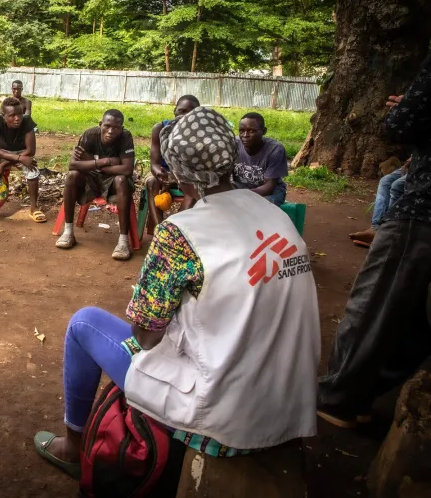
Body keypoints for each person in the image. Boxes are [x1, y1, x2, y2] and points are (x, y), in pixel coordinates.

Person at [33, 107, 320, 477]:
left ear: (179, 172)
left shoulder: (180, 233)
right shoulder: (275, 216)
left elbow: (147, 335)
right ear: (231, 156)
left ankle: (73, 448)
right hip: (288, 401)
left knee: (84, 324)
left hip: (223, 412)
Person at [317, 54, 431, 429]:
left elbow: (400, 125)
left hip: (423, 209)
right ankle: (362, 393)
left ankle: (336, 398)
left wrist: (410, 109)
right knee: (413, 316)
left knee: (372, 304)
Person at [55, 109, 135, 260]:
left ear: (121, 128)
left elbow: (127, 170)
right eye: (107, 126)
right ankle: (68, 232)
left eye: (116, 127)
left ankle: (123, 242)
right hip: (91, 180)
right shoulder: (90, 135)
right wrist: (105, 161)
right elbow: (72, 165)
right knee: (72, 176)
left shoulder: (125, 137)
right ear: (100, 125)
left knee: (122, 180)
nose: (111, 131)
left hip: (112, 183)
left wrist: (91, 162)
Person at [0, 97, 44, 221]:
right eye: (12, 115)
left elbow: (31, 151)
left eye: (19, 114)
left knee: (32, 170)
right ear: (3, 115)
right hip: (2, 153)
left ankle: (34, 208)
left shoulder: (27, 122)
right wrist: (15, 159)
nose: (17, 118)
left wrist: (7, 164)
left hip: (23, 153)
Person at [146, 95, 200, 228]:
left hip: (189, 176)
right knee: (152, 182)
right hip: (164, 173)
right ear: (174, 111)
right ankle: (159, 231)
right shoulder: (160, 129)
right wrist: (162, 175)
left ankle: (176, 229)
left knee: (196, 188)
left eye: (191, 112)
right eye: (181, 111)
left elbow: (199, 167)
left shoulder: (201, 133)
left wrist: (177, 177)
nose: (185, 116)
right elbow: (154, 163)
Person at [349, 158, 409, 246]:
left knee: (397, 186)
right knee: (385, 181)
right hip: (416, 162)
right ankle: (375, 228)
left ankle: (388, 231)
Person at [234, 112, 288, 206]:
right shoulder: (233, 144)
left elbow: (269, 186)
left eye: (251, 131)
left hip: (270, 190)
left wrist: (243, 196)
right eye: (242, 131)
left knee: (266, 205)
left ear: (263, 131)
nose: (245, 135)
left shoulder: (275, 150)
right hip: (240, 187)